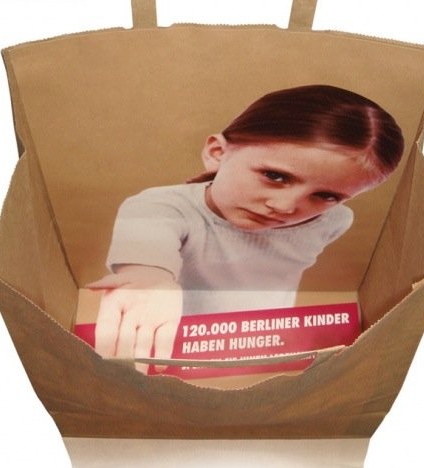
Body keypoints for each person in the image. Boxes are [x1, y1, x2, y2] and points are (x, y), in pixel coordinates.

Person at [88, 84, 404, 374]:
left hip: (263, 349)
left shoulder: (334, 221)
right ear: (217, 153)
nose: (285, 208)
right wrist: (148, 281)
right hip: (171, 351)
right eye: (275, 176)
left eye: (326, 196)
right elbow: (146, 260)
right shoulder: (158, 206)